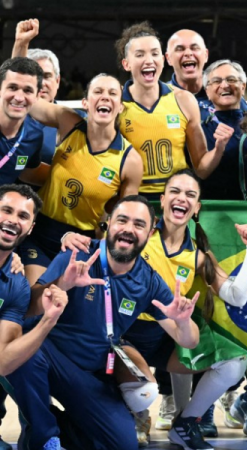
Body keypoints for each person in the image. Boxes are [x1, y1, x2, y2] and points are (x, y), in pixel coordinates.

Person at [63, 170, 247, 448]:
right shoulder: (138, 236)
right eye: (175, 191)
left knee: (235, 363)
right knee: (142, 392)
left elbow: (236, 296)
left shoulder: (199, 256)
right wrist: (69, 235)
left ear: (197, 207)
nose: (182, 198)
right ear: (162, 201)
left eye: (191, 194)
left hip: (166, 336)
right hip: (122, 335)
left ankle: (186, 423)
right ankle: (135, 414)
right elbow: (97, 245)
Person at [4, 195, 201, 450]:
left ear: (150, 232)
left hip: (89, 375)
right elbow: (28, 307)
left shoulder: (148, 280)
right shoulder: (79, 256)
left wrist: (183, 321)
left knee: (123, 444)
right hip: (49, 359)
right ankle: (45, 437)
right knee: (25, 352)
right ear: (109, 223)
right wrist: (64, 282)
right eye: (122, 220)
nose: (128, 229)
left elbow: (189, 340)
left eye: (139, 224)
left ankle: (51, 427)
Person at [18, 73, 142, 286]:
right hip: (40, 232)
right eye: (98, 92)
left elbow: (123, 217)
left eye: (113, 93)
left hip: (81, 242)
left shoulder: (130, 160)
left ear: (120, 107)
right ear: (85, 103)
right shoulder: (69, 122)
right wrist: (21, 46)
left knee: (63, 305)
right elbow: (27, 100)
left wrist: (103, 231)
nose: (105, 97)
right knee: (35, 298)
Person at [115, 22, 230, 198]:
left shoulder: (184, 100)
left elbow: (201, 169)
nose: (149, 60)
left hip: (177, 203)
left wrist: (219, 148)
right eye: (140, 55)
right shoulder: (116, 106)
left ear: (162, 60)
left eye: (155, 53)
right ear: (126, 64)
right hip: (134, 205)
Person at [0, 184, 66, 450]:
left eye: (23, 216)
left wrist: (49, 320)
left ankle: (45, 439)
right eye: (6, 210)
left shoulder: (17, 282)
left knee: (27, 357)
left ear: (30, 228)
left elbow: (4, 361)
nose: (13, 220)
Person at [12, 18, 71, 165]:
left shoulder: (72, 119)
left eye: (47, 76)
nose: (41, 83)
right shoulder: (10, 116)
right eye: (34, 76)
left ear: (57, 81)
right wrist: (21, 43)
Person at [199, 59, 247, 200]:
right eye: (216, 81)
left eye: (231, 79)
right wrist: (218, 150)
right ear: (207, 91)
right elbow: (200, 174)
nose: (225, 85)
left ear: (243, 86)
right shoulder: (200, 131)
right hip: (214, 209)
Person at [0, 57, 48, 187]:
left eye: (28, 90)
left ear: (38, 95)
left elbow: (28, 173)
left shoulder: (34, 135)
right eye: (12, 87)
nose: (19, 97)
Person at [165, 29, 210, 102]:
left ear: (206, 55)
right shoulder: (157, 98)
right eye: (179, 49)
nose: (188, 53)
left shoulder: (221, 94)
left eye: (194, 48)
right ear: (168, 58)